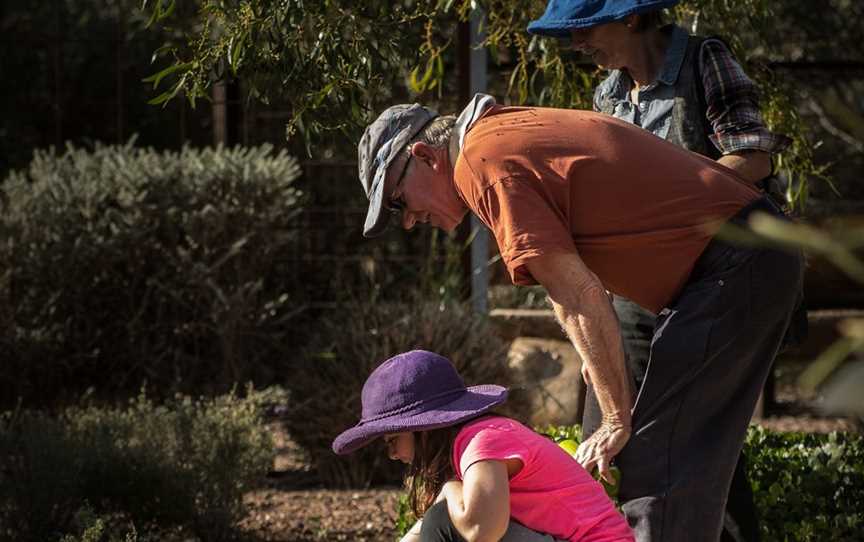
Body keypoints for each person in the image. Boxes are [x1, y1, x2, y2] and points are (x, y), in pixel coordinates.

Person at [354, 95, 804, 541]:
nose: (409, 221)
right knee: (646, 461)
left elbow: (576, 294)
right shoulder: (496, 139)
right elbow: (570, 276)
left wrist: (615, 418)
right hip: (723, 268)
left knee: (657, 462)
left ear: (424, 155)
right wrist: (598, 367)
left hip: (734, 262)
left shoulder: (482, 162)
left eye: (397, 201)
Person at [526, 2, 795, 539]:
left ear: (630, 19)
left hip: (714, 280)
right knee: (614, 434)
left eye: (583, 29)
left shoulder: (703, 60)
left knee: (691, 438)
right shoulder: (608, 95)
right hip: (633, 292)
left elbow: (752, 157)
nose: (577, 46)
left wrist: (675, 211)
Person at [332, 349, 635, 542]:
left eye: (392, 440)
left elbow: (481, 531)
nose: (394, 454)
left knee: (445, 521)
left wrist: (450, 488)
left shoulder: (483, 440)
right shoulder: (474, 444)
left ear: (421, 428)